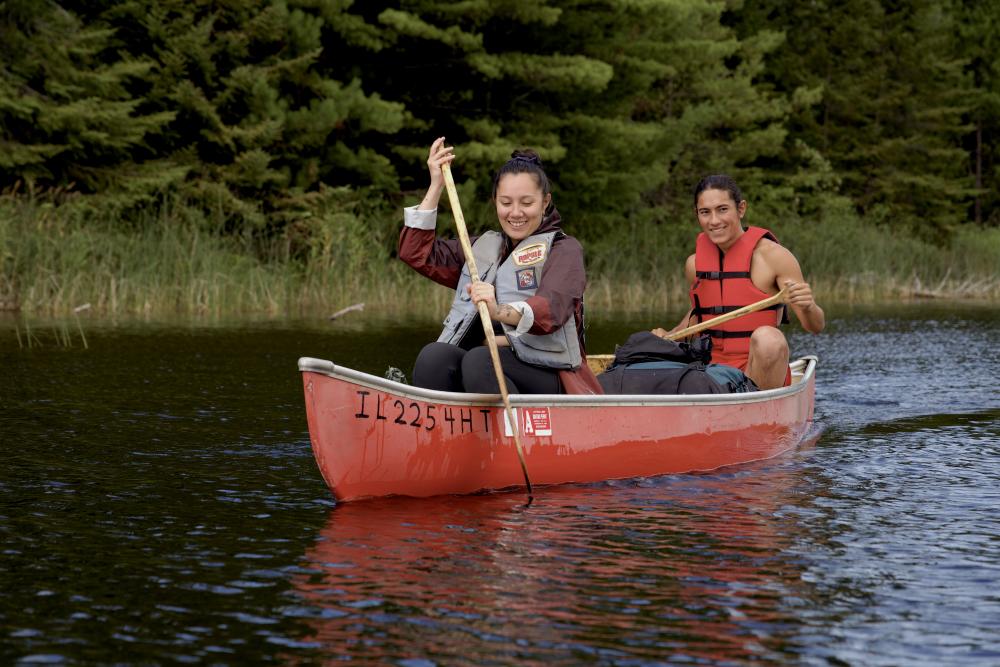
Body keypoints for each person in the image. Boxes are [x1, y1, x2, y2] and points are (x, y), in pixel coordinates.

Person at [398, 137, 601, 395]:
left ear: (545, 202)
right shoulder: (481, 250)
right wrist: (436, 185)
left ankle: (508, 434)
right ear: (495, 201)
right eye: (506, 203)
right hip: (487, 363)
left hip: (549, 373)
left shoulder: (564, 250)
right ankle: (442, 433)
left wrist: (498, 312)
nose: (515, 213)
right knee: (433, 357)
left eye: (527, 203)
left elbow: (551, 310)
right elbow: (415, 253)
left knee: (480, 360)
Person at [652, 174, 825, 390]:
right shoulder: (694, 264)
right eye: (705, 212)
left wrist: (808, 306)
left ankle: (757, 406)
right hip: (709, 369)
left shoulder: (774, 257)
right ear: (696, 214)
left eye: (722, 209)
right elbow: (700, 316)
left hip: (758, 369)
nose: (714, 221)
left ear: (741, 209)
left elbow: (815, 326)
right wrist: (667, 336)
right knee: (648, 342)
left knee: (769, 338)